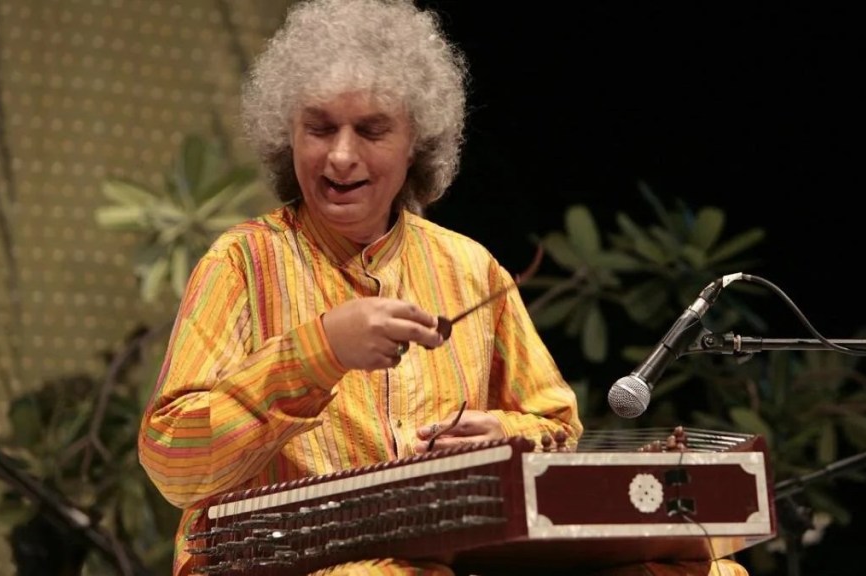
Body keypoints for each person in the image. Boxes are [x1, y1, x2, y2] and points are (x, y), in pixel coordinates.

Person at [137, 1, 748, 575]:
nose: (341, 156)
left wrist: (502, 434)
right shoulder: (242, 263)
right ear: (286, 134)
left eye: (371, 130)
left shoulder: (469, 267)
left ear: (416, 144)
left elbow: (555, 423)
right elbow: (173, 464)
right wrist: (321, 350)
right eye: (319, 128)